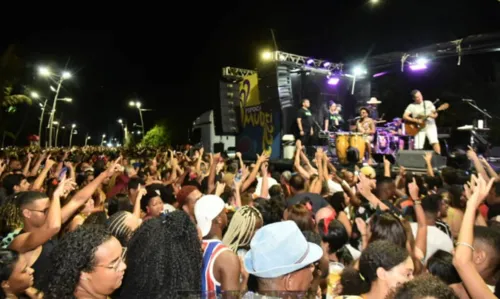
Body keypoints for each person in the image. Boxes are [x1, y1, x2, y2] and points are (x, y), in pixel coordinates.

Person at [195, 195, 242, 297]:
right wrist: (244, 282)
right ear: (219, 219)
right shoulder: (226, 257)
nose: (227, 215)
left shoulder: (190, 246)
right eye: (224, 212)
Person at [403, 90, 441, 154]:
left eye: (420, 95)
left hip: (430, 126)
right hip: (419, 127)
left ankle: (439, 157)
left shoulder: (428, 103)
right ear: (413, 98)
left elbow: (435, 115)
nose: (420, 97)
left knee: (434, 141)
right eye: (417, 97)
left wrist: (431, 115)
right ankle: (419, 161)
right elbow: (405, 116)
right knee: (418, 146)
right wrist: (416, 120)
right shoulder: (411, 106)